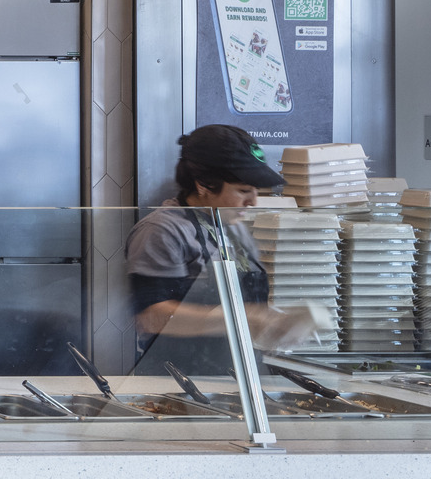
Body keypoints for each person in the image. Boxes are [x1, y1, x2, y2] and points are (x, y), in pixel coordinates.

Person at [127, 124, 311, 375]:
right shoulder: (163, 230)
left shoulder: (234, 228)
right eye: (243, 190)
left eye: (256, 191)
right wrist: (242, 319)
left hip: (238, 377)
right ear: (204, 184)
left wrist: (276, 323)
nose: (253, 201)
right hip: (177, 380)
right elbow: (151, 316)